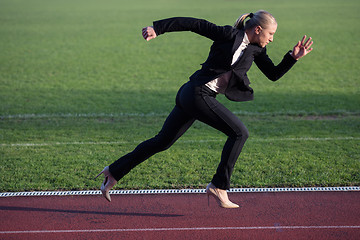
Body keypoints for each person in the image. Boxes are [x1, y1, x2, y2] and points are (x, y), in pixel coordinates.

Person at [95, 10, 313, 208]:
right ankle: (219, 186)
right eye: (270, 33)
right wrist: (158, 29)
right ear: (258, 29)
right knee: (239, 133)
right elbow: (194, 24)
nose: (272, 38)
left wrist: (292, 58)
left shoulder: (256, 50)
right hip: (196, 92)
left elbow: (273, 74)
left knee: (162, 141)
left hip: (194, 95)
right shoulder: (228, 35)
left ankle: (114, 171)